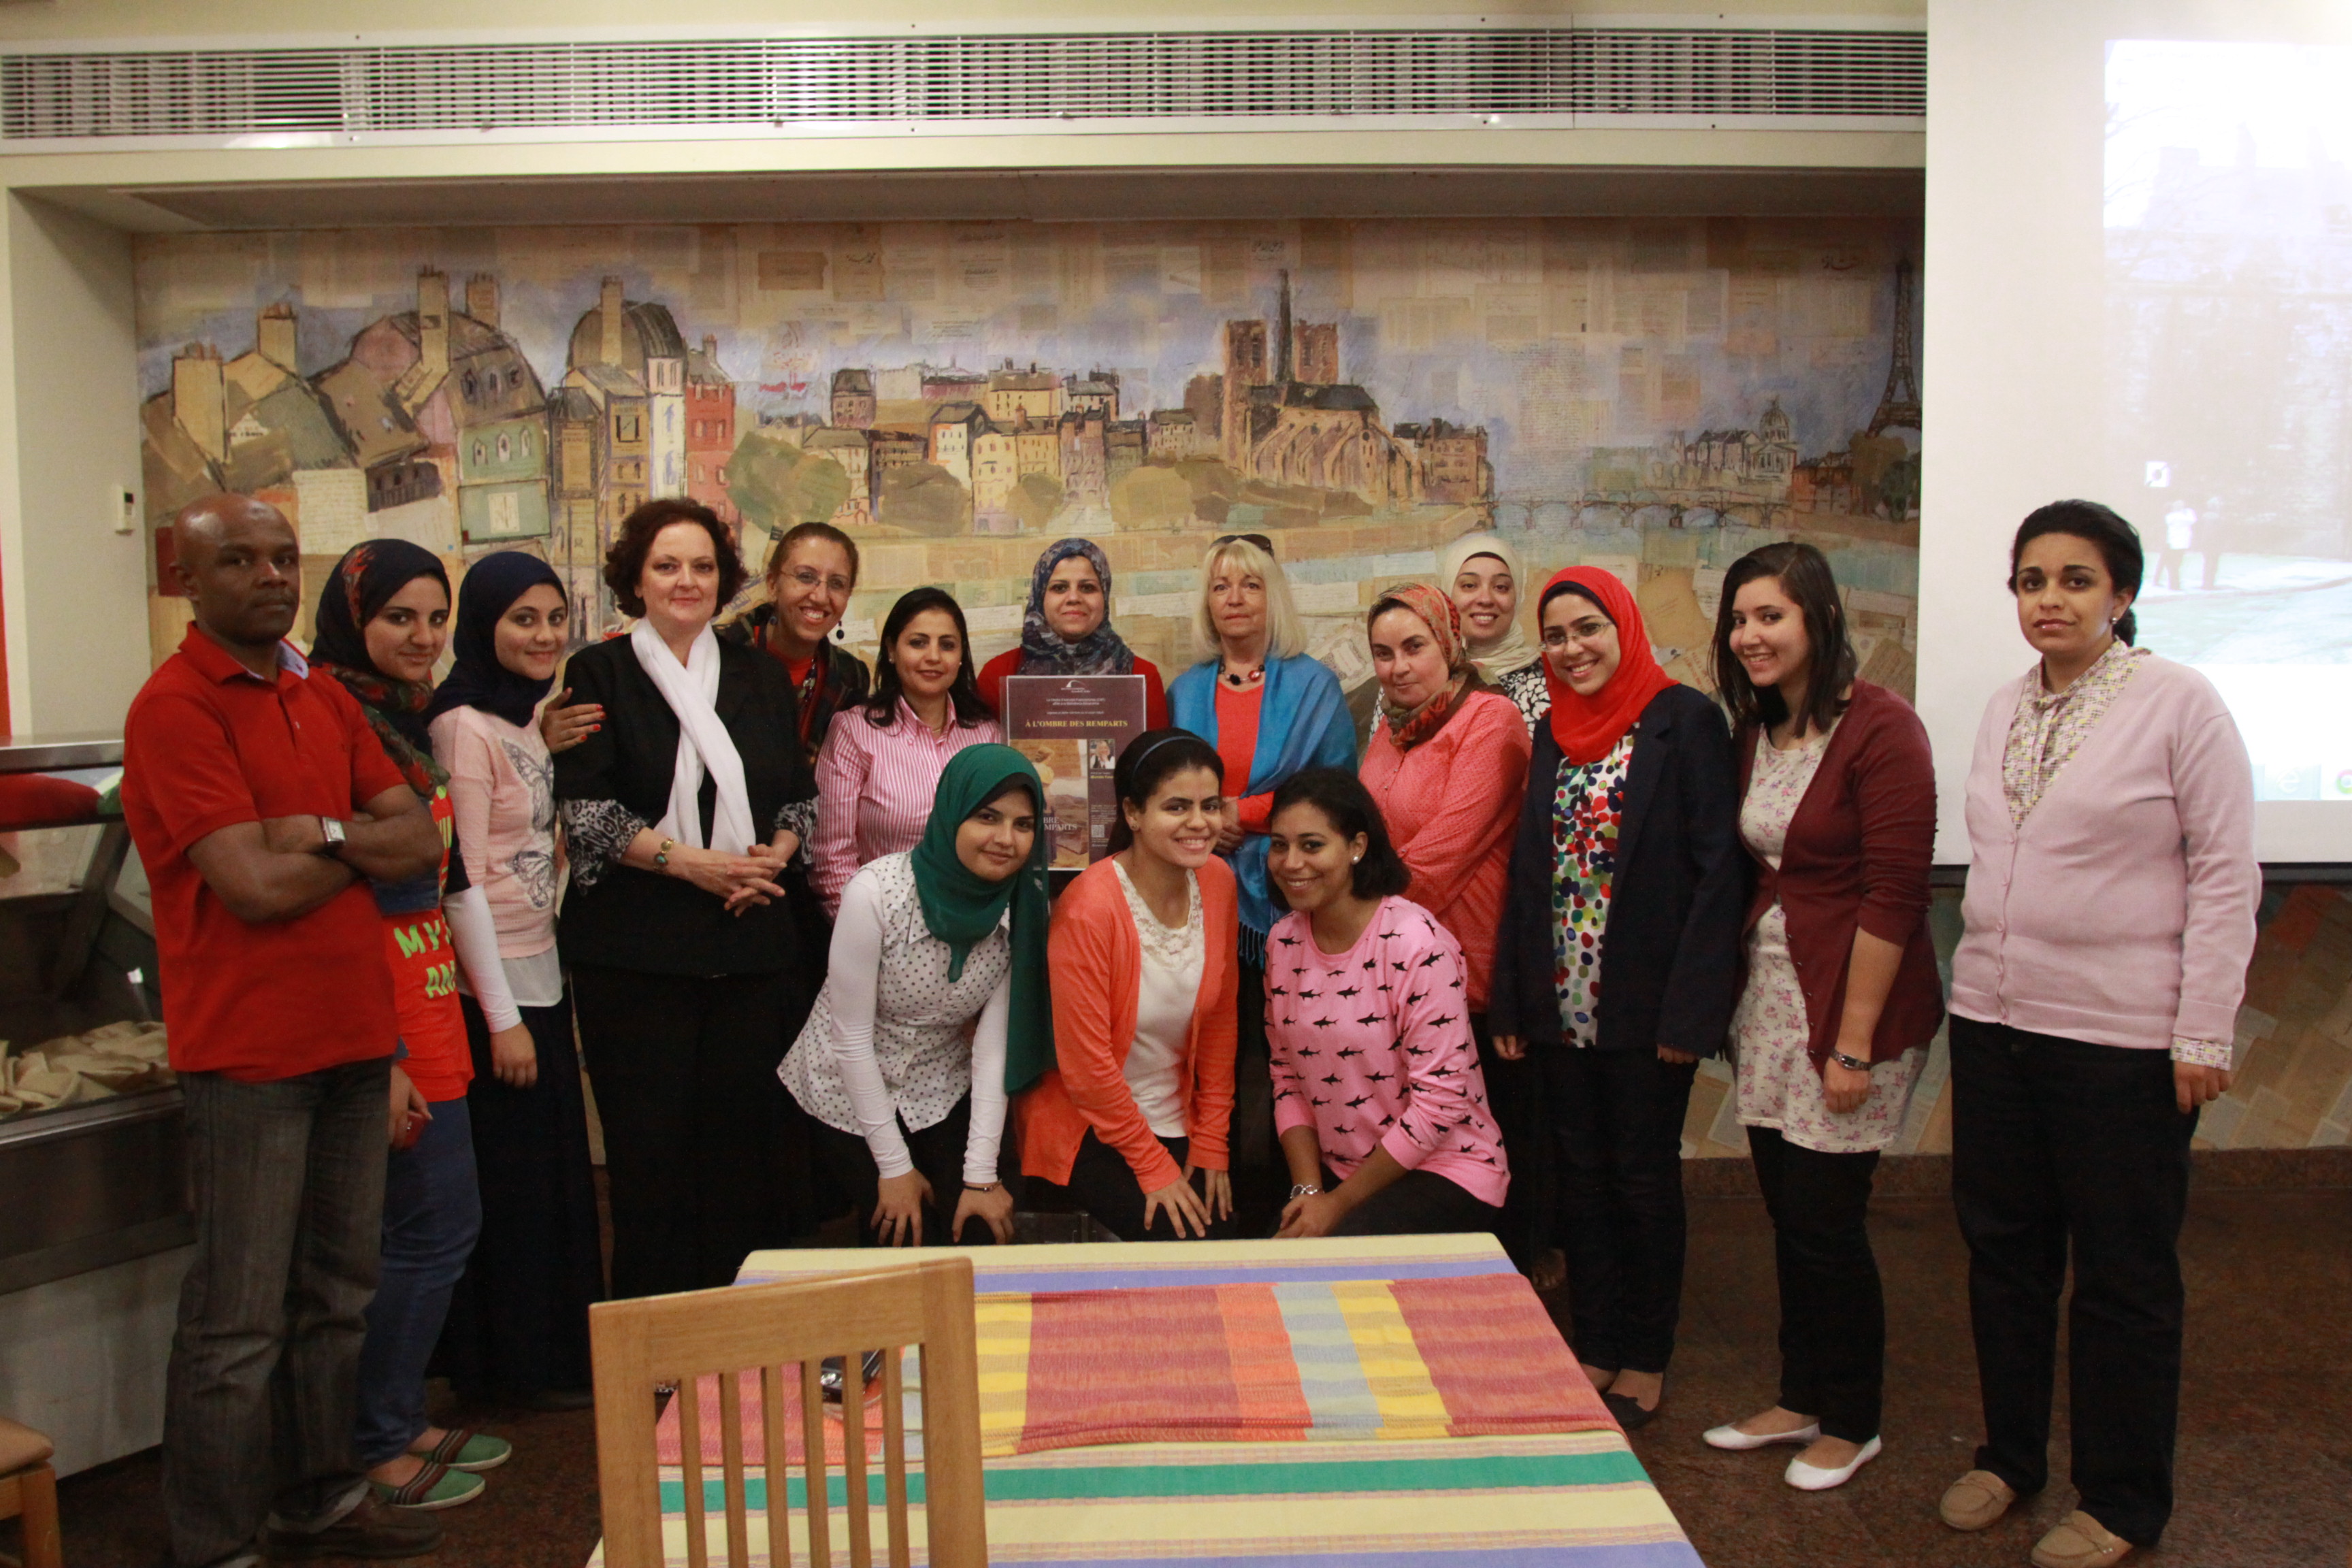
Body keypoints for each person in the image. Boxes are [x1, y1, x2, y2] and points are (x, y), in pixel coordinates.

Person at [122, 494, 445, 1567]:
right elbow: (251, 889)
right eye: (238, 561)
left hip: (355, 1040)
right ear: (188, 580)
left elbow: (418, 840)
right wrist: (353, 844)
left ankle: (321, 1500)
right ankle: (214, 1541)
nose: (268, 576)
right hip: (250, 1057)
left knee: (337, 1298)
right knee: (238, 1322)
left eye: (281, 557)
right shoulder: (174, 707)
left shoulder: (318, 691)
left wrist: (313, 833)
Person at [1940, 501, 2256, 1568]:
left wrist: (2203, 1030)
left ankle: (2121, 1500)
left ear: (2122, 594)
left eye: (2076, 580)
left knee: (2123, 1276)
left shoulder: (2179, 702)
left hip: (2122, 1041)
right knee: (2005, 1258)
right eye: (2032, 581)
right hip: (1996, 1025)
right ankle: (2009, 1456)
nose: (2051, 600)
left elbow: (2226, 873)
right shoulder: (2004, 706)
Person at [1695, 541, 1942, 1492]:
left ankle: (1853, 1419)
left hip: (1852, 1008)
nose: (1750, 636)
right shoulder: (1757, 729)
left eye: (1772, 616)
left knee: (1827, 1221)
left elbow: (1896, 896)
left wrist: (1854, 1045)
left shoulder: (1884, 729)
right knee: (1789, 1215)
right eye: (1739, 618)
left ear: (1820, 620)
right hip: (1772, 1003)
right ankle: (1800, 1396)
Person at [1487, 567, 1744, 1431]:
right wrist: (1514, 1001)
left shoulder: (1684, 720)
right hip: (1562, 1005)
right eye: (1556, 636)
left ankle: (1646, 1352)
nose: (1572, 649)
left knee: (1641, 1179)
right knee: (1580, 1180)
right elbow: (1531, 873)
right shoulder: (1554, 731)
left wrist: (1691, 1014)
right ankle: (1595, 1342)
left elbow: (1718, 874)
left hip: (1645, 1006)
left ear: (1624, 627)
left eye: (1588, 628)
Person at [553, 498, 821, 1298]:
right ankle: (655, 1343)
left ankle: (737, 1337)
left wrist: (774, 857)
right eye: (667, 565)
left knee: (740, 1162)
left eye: (703, 566)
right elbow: (588, 811)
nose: (687, 580)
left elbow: (798, 797)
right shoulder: (598, 674)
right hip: (636, 958)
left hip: (749, 949)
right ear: (635, 579)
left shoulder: (758, 676)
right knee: (650, 1166)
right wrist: (691, 865)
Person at [308, 541, 510, 1512]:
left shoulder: (404, 718)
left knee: (438, 1225)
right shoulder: (329, 718)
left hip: (430, 993)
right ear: (356, 620)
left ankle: (395, 1415)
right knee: (426, 1226)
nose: (423, 637)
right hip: (378, 1001)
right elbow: (332, 894)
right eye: (400, 618)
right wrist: (384, 1053)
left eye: (436, 619)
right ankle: (374, 1442)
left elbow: (447, 874)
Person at [425, 551, 604, 1413]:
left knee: (554, 1182)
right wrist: (500, 1018)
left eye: (554, 619)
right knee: (514, 1190)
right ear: (482, 625)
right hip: (491, 991)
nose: (544, 636)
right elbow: (458, 879)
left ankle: (552, 1363)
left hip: (539, 972)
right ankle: (507, 1370)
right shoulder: (462, 726)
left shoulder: (522, 719)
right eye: (522, 619)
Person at [781, 745, 1052, 1247]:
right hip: (843, 1087)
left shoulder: (1022, 909)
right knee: (902, 1231)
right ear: (951, 813)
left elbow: (994, 1048)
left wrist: (980, 1176)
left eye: (1024, 825)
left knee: (979, 1226)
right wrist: (893, 1167)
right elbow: (850, 1040)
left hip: (937, 1084)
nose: (1005, 839)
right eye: (987, 817)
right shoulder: (877, 893)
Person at [1167, 534, 1356, 1226]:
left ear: (1271, 596)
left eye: (1250, 584)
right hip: (1200, 897)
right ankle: (1218, 1212)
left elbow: (1333, 787)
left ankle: (1294, 1204)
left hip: (1291, 897)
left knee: (1290, 1058)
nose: (1235, 599)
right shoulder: (1185, 690)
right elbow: (1163, 787)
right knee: (1214, 1056)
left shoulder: (1313, 685)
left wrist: (1238, 815)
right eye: (1221, 586)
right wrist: (1202, 822)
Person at [1356, 583, 1538, 1262]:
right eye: (1383, 653)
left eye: (1414, 647)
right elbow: (1362, 832)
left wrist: (1343, 910)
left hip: (1473, 969)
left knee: (1495, 1146)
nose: (1398, 666)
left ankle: (1511, 1277)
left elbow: (1437, 861)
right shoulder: (1390, 725)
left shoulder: (1491, 720)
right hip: (1398, 969)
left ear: (1450, 644)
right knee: (1426, 1144)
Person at [1262, 768, 1509, 1238]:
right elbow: (1286, 1075)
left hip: (1446, 1168)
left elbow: (1439, 1103)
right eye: (1279, 845)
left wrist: (1335, 1206)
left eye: (1312, 845)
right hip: (1341, 1173)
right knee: (1272, 1256)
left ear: (1357, 846)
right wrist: (1309, 1193)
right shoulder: (1282, 941)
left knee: (1332, 1258)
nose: (1291, 862)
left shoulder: (1417, 943)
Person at [1020, 730, 1240, 1241]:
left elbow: (1221, 1019)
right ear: (1134, 813)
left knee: (1228, 1235)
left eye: (1210, 806)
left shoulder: (1218, 881)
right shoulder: (1089, 907)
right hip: (1088, 1121)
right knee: (1187, 1241)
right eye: (1177, 807)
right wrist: (1153, 1165)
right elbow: (1087, 1069)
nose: (1199, 823)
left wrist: (1212, 1139)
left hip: (1177, 1112)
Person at [810, 587, 1001, 917]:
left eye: (947, 645)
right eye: (918, 642)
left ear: (961, 656)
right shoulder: (854, 731)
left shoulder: (987, 735)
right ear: (891, 650)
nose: (934, 656)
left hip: (975, 923)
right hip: (881, 924)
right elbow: (832, 857)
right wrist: (866, 931)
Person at [975, 536, 1171, 727]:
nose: (1074, 598)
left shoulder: (1142, 676)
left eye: (1087, 588)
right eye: (1060, 588)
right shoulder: (998, 675)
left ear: (1104, 596)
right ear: (1040, 596)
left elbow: (1156, 751)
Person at [719, 521, 870, 763]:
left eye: (837, 584)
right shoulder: (719, 655)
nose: (820, 597)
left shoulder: (850, 677)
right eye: (806, 577)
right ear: (772, 584)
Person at [1440, 532, 1546, 730]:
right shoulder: (1422, 677)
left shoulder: (1547, 682)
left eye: (1501, 587)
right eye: (1469, 585)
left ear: (1517, 597)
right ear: (1448, 594)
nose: (1485, 599)